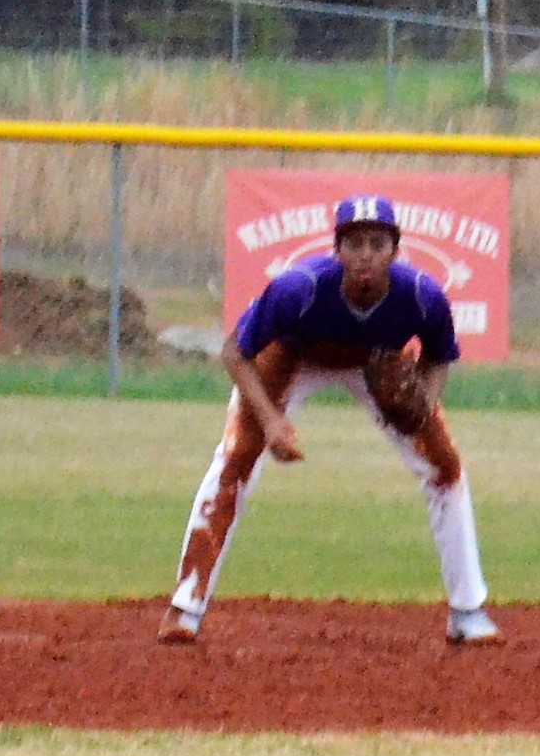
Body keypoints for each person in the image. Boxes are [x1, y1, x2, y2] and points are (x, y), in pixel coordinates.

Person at [165, 194, 496, 643]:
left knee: (445, 466)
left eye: (377, 244)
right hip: (292, 357)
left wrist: (422, 405)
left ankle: (468, 611)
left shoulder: (421, 295)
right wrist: (271, 420)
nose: (365, 255)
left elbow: (438, 359)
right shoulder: (298, 289)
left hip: (376, 362)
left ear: (395, 251)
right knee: (236, 459)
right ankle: (186, 607)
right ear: (336, 250)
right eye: (354, 243)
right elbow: (235, 352)